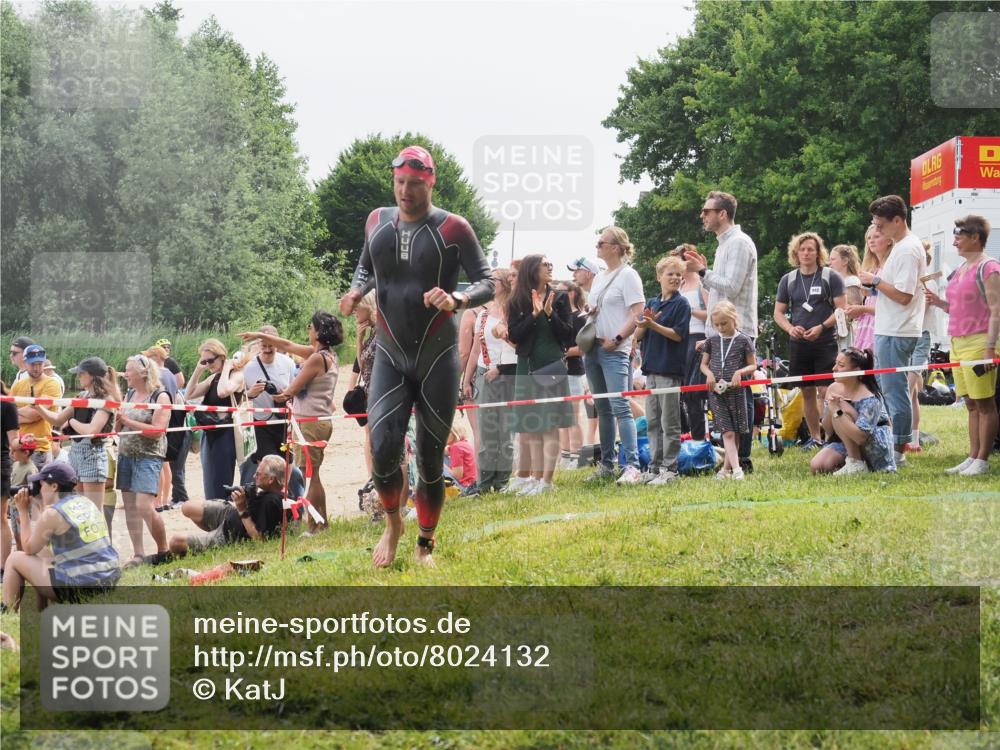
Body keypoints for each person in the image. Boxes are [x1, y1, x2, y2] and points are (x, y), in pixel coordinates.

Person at [338, 144, 495, 567]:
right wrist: (356, 291)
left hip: (436, 356)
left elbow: (488, 281)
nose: (405, 191)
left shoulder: (454, 228)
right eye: (399, 183)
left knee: (429, 456)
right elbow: (365, 266)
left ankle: (425, 543)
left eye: (414, 184)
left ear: (430, 183)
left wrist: (457, 297)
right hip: (389, 353)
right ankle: (393, 524)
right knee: (383, 444)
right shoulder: (377, 220)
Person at [240, 313, 341, 532]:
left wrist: (274, 394)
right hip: (318, 420)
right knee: (314, 475)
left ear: (318, 331)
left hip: (310, 423)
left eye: (310, 327)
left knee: (310, 475)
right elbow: (287, 344)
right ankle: (321, 522)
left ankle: (315, 526)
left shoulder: (315, 358)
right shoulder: (326, 354)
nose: (308, 330)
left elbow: (291, 391)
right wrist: (258, 335)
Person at [684, 191, 759, 472]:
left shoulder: (739, 243)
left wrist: (703, 272)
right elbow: (717, 292)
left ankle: (744, 460)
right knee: (723, 394)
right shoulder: (723, 244)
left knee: (740, 394)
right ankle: (732, 460)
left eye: (706, 211)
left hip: (738, 332)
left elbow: (732, 287)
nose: (702, 215)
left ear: (722, 214)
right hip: (719, 333)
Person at [925, 215, 1000, 477]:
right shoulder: (960, 270)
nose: (954, 240)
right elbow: (957, 307)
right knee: (970, 403)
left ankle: (982, 459)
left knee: (985, 403)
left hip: (979, 342)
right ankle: (972, 456)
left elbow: (996, 310)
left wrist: (990, 349)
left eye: (959, 235)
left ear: (975, 237)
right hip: (957, 342)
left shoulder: (989, 267)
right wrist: (938, 302)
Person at [861, 195, 927, 465]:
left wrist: (875, 280)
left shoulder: (908, 249)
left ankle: (898, 450)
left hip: (898, 330)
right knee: (891, 389)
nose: (877, 230)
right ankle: (896, 445)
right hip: (890, 328)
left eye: (881, 224)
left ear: (897, 221)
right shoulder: (902, 246)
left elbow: (904, 295)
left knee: (894, 391)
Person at [2, 462, 120, 612]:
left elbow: (28, 547)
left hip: (79, 588)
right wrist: (39, 505)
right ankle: (42, 612)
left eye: (41, 484)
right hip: (106, 581)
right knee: (43, 555)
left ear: (54, 486)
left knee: (15, 558)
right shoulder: (86, 502)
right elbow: (40, 548)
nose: (39, 489)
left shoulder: (53, 513)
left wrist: (23, 512)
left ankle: (8, 610)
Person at [506, 254, 576, 496]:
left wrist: (548, 313)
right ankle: (535, 479)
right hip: (526, 367)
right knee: (532, 426)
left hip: (551, 367)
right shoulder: (517, 299)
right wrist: (534, 315)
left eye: (550, 263)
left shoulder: (560, 297)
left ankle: (547, 481)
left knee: (550, 426)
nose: (550, 267)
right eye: (544, 264)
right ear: (532, 270)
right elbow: (514, 336)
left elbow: (567, 334)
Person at [584, 226, 646, 484]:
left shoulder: (629, 276)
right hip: (593, 347)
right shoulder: (599, 277)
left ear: (617, 247)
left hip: (615, 349)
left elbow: (638, 312)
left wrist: (619, 338)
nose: (597, 246)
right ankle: (607, 465)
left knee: (620, 406)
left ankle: (631, 466)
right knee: (603, 407)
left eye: (601, 242)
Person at [773, 232, 846, 448]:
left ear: (817, 252)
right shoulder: (789, 279)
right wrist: (789, 328)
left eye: (810, 249)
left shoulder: (830, 276)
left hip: (824, 341)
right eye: (802, 249)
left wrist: (822, 326)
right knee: (806, 391)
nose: (806, 253)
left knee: (826, 390)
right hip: (799, 344)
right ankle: (815, 438)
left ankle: (833, 435)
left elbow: (841, 308)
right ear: (796, 252)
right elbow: (778, 313)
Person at [35, 357, 119, 512]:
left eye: (81, 374)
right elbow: (58, 420)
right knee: (80, 510)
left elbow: (92, 431)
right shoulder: (81, 396)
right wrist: (38, 407)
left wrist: (72, 422)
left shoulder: (107, 399)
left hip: (93, 455)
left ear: (91, 375)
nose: (78, 377)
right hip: (76, 454)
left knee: (94, 511)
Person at [635, 255, 690, 483]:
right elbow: (638, 336)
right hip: (651, 370)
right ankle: (655, 467)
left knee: (670, 422)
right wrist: (643, 325)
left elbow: (677, 335)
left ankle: (670, 468)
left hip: (669, 370)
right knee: (653, 422)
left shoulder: (681, 304)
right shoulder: (652, 303)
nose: (675, 278)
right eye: (670, 274)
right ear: (659, 277)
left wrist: (653, 325)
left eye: (679, 274)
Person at [462, 268, 517, 492]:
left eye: (494, 280)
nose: (490, 283)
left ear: (504, 283)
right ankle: (484, 482)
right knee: (486, 431)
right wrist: (466, 380)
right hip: (485, 375)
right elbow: (475, 350)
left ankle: (502, 481)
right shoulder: (483, 315)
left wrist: (499, 368)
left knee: (505, 431)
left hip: (508, 374)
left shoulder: (514, 311)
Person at [169, 454, 287, 556]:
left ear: (271, 479)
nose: (254, 476)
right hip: (232, 513)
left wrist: (242, 509)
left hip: (229, 534)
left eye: (258, 474)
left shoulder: (272, 502)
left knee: (175, 542)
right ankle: (211, 535)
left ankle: (210, 540)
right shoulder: (274, 491)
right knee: (187, 507)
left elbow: (259, 539)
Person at [115, 354, 170, 565]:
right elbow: (117, 429)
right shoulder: (128, 395)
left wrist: (127, 419)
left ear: (144, 372)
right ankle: (138, 553)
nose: (125, 374)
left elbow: (157, 430)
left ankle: (163, 550)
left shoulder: (160, 396)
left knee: (144, 506)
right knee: (130, 507)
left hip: (149, 456)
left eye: (128, 370)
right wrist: (118, 420)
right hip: (126, 455)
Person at [810, 348, 896, 475]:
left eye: (841, 365)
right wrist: (832, 408)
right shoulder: (833, 388)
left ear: (856, 371)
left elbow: (861, 437)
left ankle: (856, 463)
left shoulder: (870, 397)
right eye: (836, 363)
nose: (834, 368)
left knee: (843, 410)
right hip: (846, 440)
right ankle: (852, 461)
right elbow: (828, 430)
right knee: (818, 466)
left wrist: (838, 410)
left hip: (874, 444)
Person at [701, 302, 756, 481]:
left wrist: (740, 372)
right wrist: (709, 374)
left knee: (737, 431)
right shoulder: (711, 341)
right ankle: (738, 470)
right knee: (727, 432)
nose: (720, 327)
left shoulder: (744, 340)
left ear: (734, 319)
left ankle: (726, 470)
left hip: (737, 392)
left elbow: (753, 364)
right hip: (716, 392)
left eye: (724, 323)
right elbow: (703, 364)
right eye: (716, 324)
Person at [185, 339, 245, 502]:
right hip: (209, 434)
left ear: (222, 357)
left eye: (211, 360)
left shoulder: (236, 375)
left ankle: (223, 518)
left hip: (225, 434)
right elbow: (188, 394)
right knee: (209, 480)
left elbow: (223, 392)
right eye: (205, 361)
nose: (208, 364)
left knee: (221, 479)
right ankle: (214, 517)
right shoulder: (213, 378)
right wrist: (198, 370)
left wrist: (226, 368)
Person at [905, 241, 944, 453]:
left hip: (920, 336)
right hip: (907, 336)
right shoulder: (913, 279)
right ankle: (912, 439)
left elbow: (921, 308)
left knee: (908, 389)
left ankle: (912, 439)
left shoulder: (928, 281)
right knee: (909, 393)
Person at [240, 325, 296, 471]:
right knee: (267, 469)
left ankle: (285, 493)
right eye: (263, 345)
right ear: (258, 345)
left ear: (277, 344)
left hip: (283, 422)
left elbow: (294, 390)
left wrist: (285, 394)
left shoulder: (288, 363)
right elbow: (238, 399)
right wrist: (250, 393)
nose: (267, 349)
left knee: (286, 466)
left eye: (271, 345)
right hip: (260, 423)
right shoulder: (247, 368)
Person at [671, 244, 710, 440]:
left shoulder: (701, 284)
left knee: (694, 392)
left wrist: (689, 311)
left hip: (697, 338)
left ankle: (698, 437)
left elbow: (712, 313)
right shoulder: (677, 287)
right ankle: (684, 434)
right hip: (679, 339)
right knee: (680, 393)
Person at [10, 344, 62, 469]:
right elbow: (7, 414)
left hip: (39, 448)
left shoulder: (52, 384)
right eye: (33, 364)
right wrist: (24, 413)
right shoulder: (18, 385)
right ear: (25, 362)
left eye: (40, 363)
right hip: (18, 447)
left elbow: (35, 414)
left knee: (38, 488)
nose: (37, 368)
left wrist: (15, 414)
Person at [555, 279, 588, 469]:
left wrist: (564, 352)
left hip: (574, 370)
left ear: (572, 293)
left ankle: (577, 456)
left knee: (574, 416)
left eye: (561, 292)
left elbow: (583, 348)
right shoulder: (561, 317)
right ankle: (565, 455)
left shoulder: (580, 317)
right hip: (558, 371)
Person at [142, 346, 179, 512]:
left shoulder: (160, 375)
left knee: (160, 463)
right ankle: (164, 499)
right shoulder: (171, 374)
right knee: (166, 464)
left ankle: (158, 500)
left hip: (161, 418)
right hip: (170, 419)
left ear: (156, 357)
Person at [847, 225, 889, 354]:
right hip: (868, 324)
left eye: (876, 237)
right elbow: (877, 296)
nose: (871, 241)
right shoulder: (874, 268)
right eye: (869, 238)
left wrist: (863, 308)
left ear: (889, 240)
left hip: (882, 325)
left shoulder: (889, 267)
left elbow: (890, 305)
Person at [829, 243, 865, 348]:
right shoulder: (838, 282)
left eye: (833, 259)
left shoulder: (851, 281)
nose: (829, 263)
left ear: (845, 261)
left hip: (848, 334)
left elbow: (854, 310)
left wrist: (840, 327)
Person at [1, 381, 18, 571]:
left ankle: (4, 567)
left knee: (0, 519)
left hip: (1, 464)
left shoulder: (7, 404)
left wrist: (23, 442)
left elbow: (14, 440)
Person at [443, 421, 477, 492]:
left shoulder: (456, 448)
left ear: (454, 433)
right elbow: (443, 452)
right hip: (472, 485)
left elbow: (457, 476)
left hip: (464, 488)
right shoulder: (463, 444)